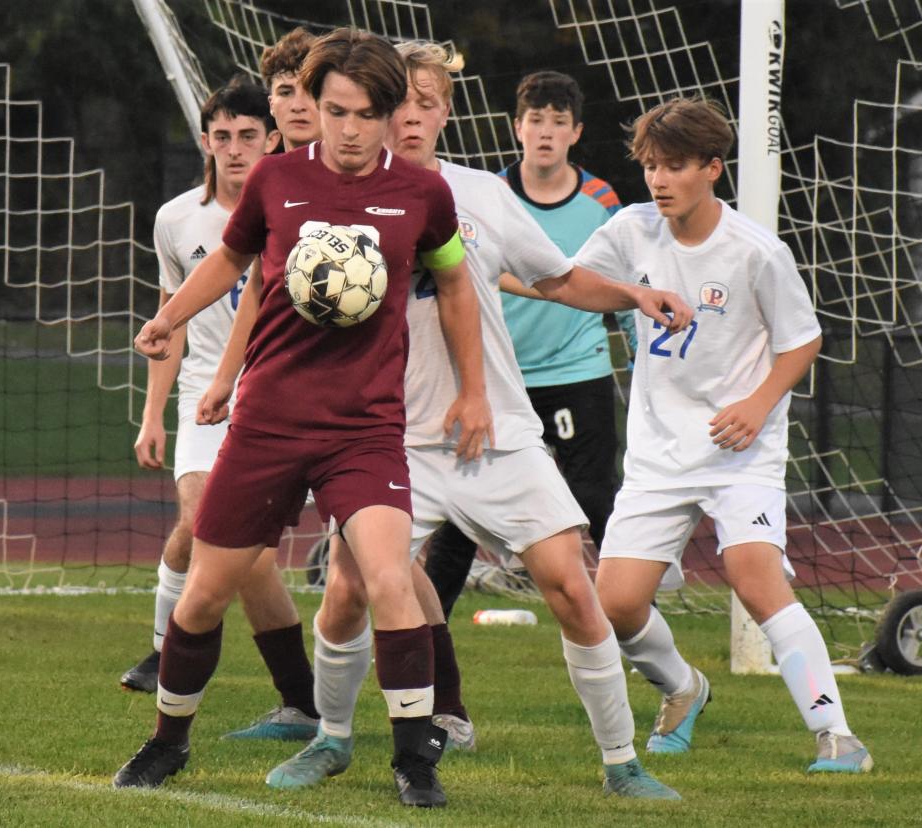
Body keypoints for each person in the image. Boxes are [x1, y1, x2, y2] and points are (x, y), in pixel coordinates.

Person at [261, 40, 694, 804]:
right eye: (405, 103)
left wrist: (635, 294)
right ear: (377, 109)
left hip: (496, 433)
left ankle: (623, 762)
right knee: (347, 589)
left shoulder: (484, 197)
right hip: (388, 437)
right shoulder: (332, 200)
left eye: (432, 103)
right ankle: (330, 740)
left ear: (447, 112)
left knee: (569, 585)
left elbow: (555, 279)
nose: (416, 116)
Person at [113, 30, 492, 809]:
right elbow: (227, 263)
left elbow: (455, 286)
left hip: (365, 428)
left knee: (389, 579)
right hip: (269, 423)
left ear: (391, 115)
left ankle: (414, 758)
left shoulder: (423, 194)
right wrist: (171, 318)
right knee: (203, 597)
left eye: (365, 114)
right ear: (314, 107)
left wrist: (473, 390)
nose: (349, 130)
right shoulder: (277, 179)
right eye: (335, 111)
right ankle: (167, 741)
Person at [575, 96, 873, 773]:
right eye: (650, 165)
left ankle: (838, 736)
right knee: (616, 603)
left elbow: (803, 341)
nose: (658, 180)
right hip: (658, 450)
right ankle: (683, 688)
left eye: (674, 166)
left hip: (741, 449)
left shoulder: (756, 251)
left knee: (753, 576)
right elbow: (578, 282)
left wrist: (758, 403)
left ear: (712, 168)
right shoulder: (630, 229)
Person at [120, 75, 320, 742]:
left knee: (247, 554)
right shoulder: (176, 220)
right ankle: (284, 695)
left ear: (272, 139)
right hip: (206, 401)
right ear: (205, 142)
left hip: (281, 397)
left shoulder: (299, 213)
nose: (235, 150)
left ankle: (314, 702)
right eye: (223, 137)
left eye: (248, 137)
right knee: (206, 529)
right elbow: (169, 323)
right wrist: (152, 415)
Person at [423, 70, 630, 618]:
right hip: (499, 379)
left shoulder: (601, 199)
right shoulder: (489, 196)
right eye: (535, 120)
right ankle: (428, 627)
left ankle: (625, 617)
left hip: (578, 372)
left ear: (576, 132)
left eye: (557, 122)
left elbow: (611, 278)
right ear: (517, 127)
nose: (545, 133)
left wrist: (633, 346)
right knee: (459, 515)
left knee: (593, 497)